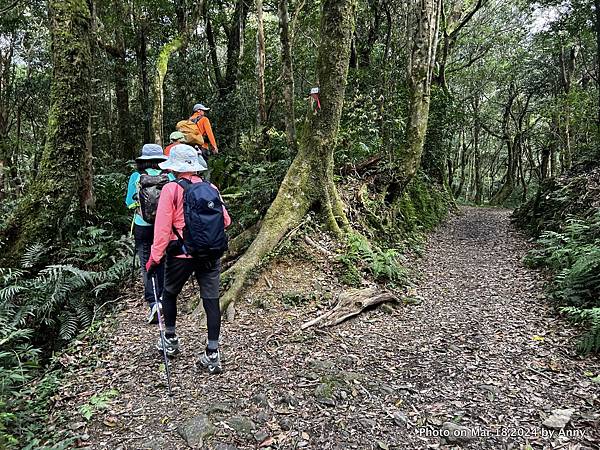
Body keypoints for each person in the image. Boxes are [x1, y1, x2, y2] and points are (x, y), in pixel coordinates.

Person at [145, 144, 231, 374]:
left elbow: (162, 229)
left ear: (175, 167)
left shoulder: (171, 189)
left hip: (181, 253)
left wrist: (154, 258)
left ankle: (171, 340)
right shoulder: (210, 187)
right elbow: (226, 221)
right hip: (210, 253)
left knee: (169, 294)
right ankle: (212, 353)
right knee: (211, 300)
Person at [125, 144, 174, 324]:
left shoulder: (136, 177)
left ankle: (153, 302)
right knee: (161, 259)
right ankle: (162, 297)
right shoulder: (168, 176)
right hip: (163, 227)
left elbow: (128, 203)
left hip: (142, 225)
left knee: (146, 262)